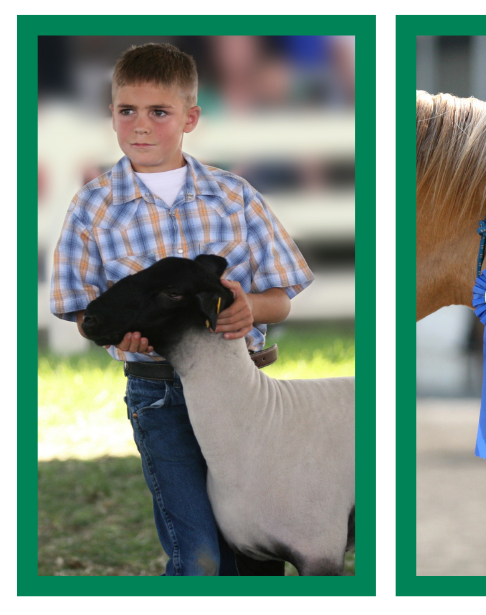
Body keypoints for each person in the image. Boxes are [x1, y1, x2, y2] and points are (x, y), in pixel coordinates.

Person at [49, 42, 314, 576]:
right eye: (127, 111)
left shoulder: (235, 197)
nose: (140, 126)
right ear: (112, 114)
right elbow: (81, 310)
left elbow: (280, 299)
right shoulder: (93, 207)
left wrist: (248, 308)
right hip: (159, 394)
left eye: (159, 112)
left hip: (244, 397)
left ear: (191, 117)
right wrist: (114, 337)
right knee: (198, 555)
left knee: (253, 550)